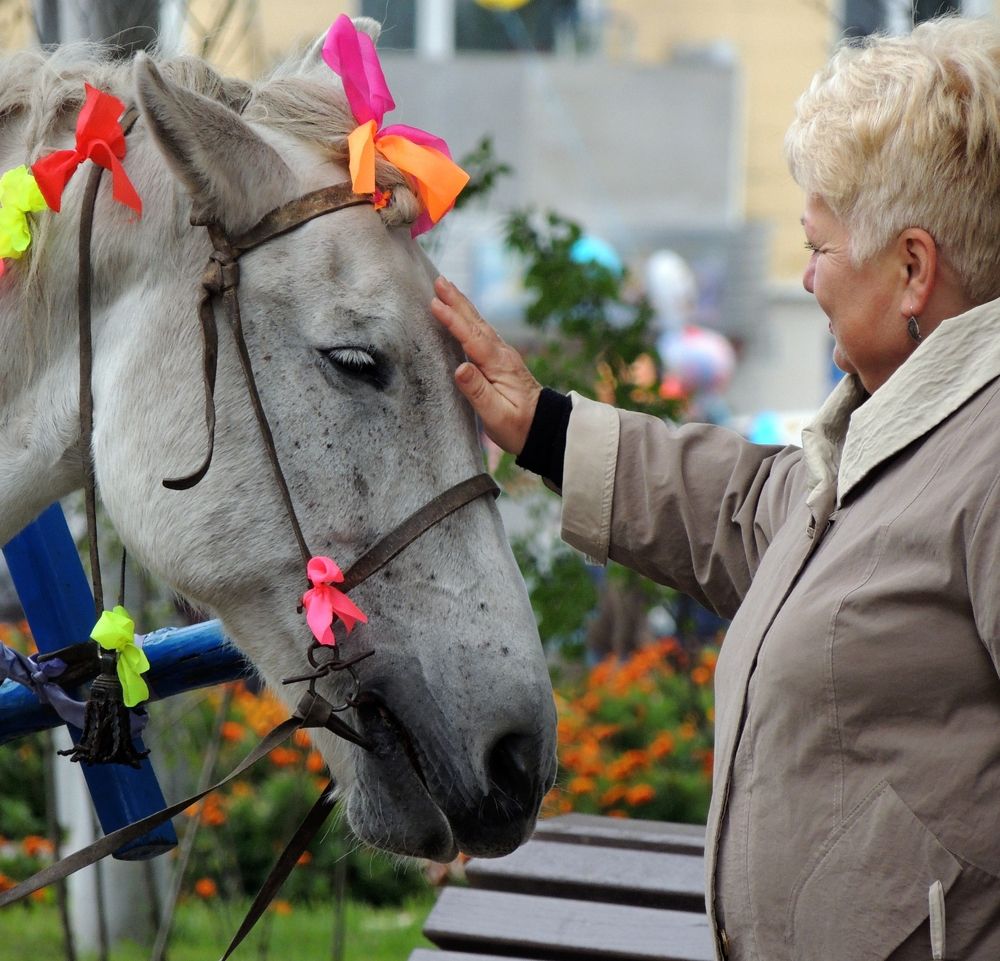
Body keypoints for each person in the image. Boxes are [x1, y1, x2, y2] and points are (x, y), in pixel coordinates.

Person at [430, 16, 1000, 961]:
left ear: (912, 268)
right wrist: (543, 425)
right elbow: (741, 510)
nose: (805, 279)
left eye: (819, 246)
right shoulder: (893, 430)